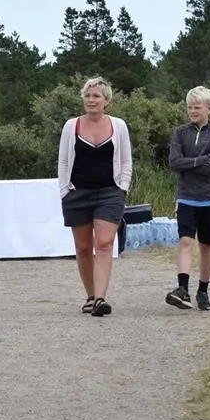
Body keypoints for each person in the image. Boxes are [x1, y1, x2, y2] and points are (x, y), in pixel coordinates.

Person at [56, 76, 133, 317]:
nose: (91, 100)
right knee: (82, 246)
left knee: (104, 243)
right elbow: (63, 161)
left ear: (106, 101)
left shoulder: (118, 126)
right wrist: (64, 190)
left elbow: (126, 161)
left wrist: (122, 187)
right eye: (87, 96)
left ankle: (101, 298)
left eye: (96, 96)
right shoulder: (72, 126)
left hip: (109, 193)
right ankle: (90, 295)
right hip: (77, 193)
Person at [165, 86, 210, 312]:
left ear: (209, 108)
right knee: (185, 242)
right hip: (186, 197)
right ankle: (182, 288)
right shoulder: (180, 132)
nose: (192, 111)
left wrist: (189, 162)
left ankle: (203, 290)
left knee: (206, 246)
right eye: (189, 107)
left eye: (197, 107)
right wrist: (198, 160)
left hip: (209, 199)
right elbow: (174, 162)